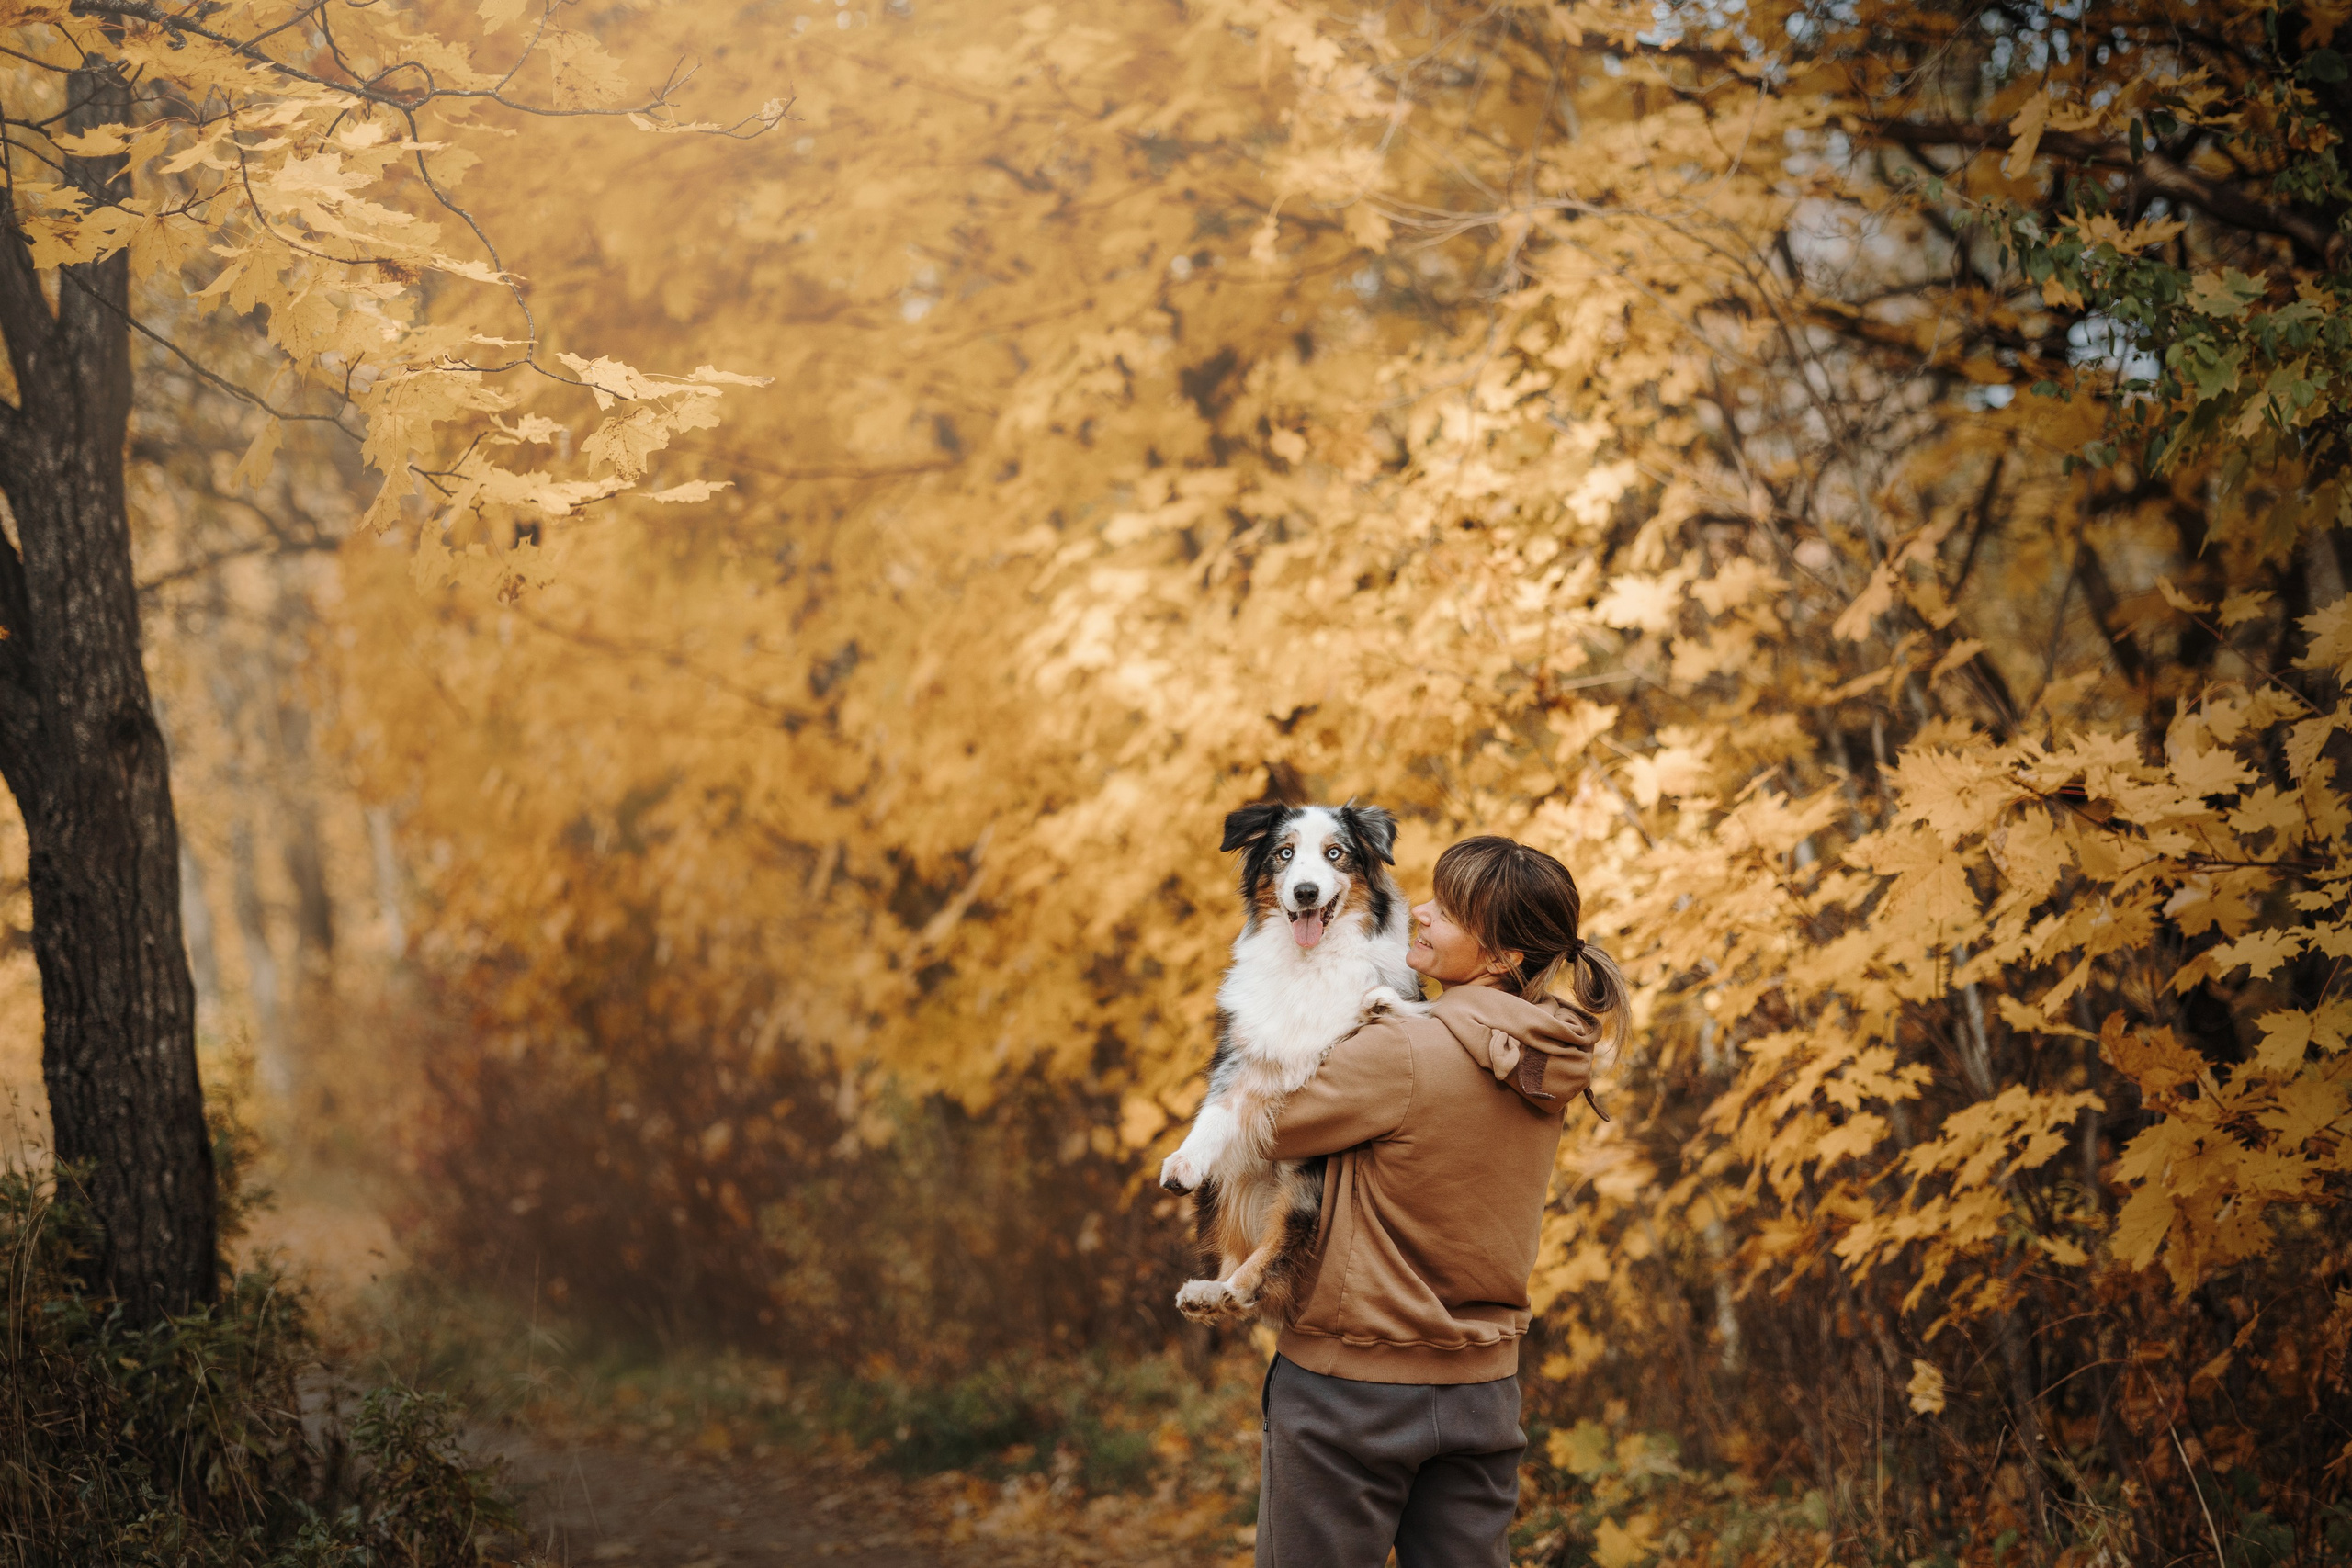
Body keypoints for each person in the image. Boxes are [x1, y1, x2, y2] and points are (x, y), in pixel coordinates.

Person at [1253, 834, 1628, 1568]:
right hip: (1482, 1394)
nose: (1419, 912)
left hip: (1350, 1391)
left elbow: (1260, 1124)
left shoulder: (1404, 1051)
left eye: (1448, 911)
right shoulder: (1549, 1058)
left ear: (1501, 957)